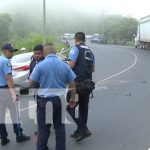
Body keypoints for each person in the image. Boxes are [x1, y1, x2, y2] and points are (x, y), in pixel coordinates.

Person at [29, 43, 77, 150]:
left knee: (43, 128)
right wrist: (73, 98)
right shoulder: (64, 65)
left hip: (45, 100)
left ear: (44, 53)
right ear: (56, 53)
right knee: (60, 128)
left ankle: (42, 148)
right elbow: (72, 83)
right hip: (60, 100)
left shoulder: (40, 66)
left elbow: (31, 82)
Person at [67, 32, 95, 142]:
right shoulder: (90, 52)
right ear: (84, 39)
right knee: (83, 107)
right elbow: (93, 69)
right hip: (88, 84)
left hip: (77, 84)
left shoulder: (75, 49)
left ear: (75, 39)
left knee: (69, 106)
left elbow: (71, 64)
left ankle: (83, 129)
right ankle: (80, 130)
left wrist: (66, 62)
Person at [0, 43, 30, 146]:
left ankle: (3, 137)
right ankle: (19, 135)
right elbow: (9, 78)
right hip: (6, 90)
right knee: (15, 114)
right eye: (11, 51)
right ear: (5, 51)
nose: (13, 53)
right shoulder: (5, 62)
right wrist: (13, 93)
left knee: (1, 115)